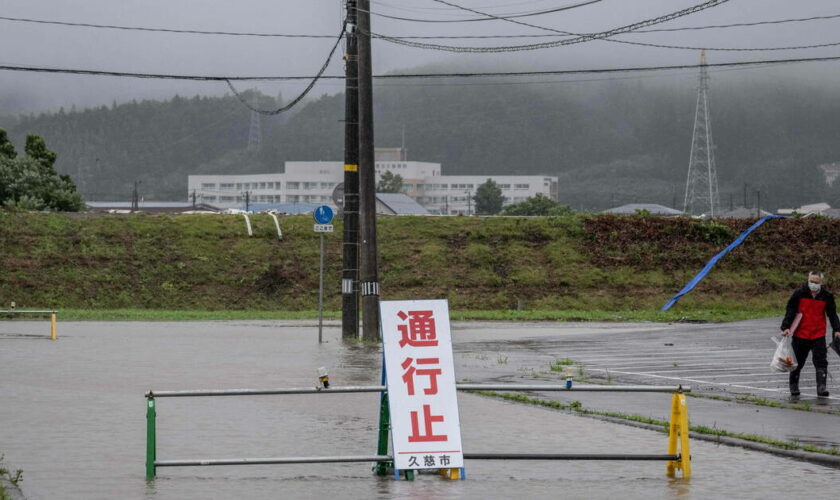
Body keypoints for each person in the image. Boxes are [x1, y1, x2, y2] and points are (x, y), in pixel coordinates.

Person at [781, 271, 840, 397]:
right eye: (811, 281)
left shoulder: (827, 296)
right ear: (808, 280)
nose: (813, 284)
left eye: (816, 282)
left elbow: (832, 314)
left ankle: (821, 387)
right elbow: (790, 310)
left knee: (821, 361)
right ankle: (794, 385)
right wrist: (786, 327)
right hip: (800, 334)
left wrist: (837, 330)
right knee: (797, 362)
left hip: (818, 334)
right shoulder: (799, 293)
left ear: (821, 282)